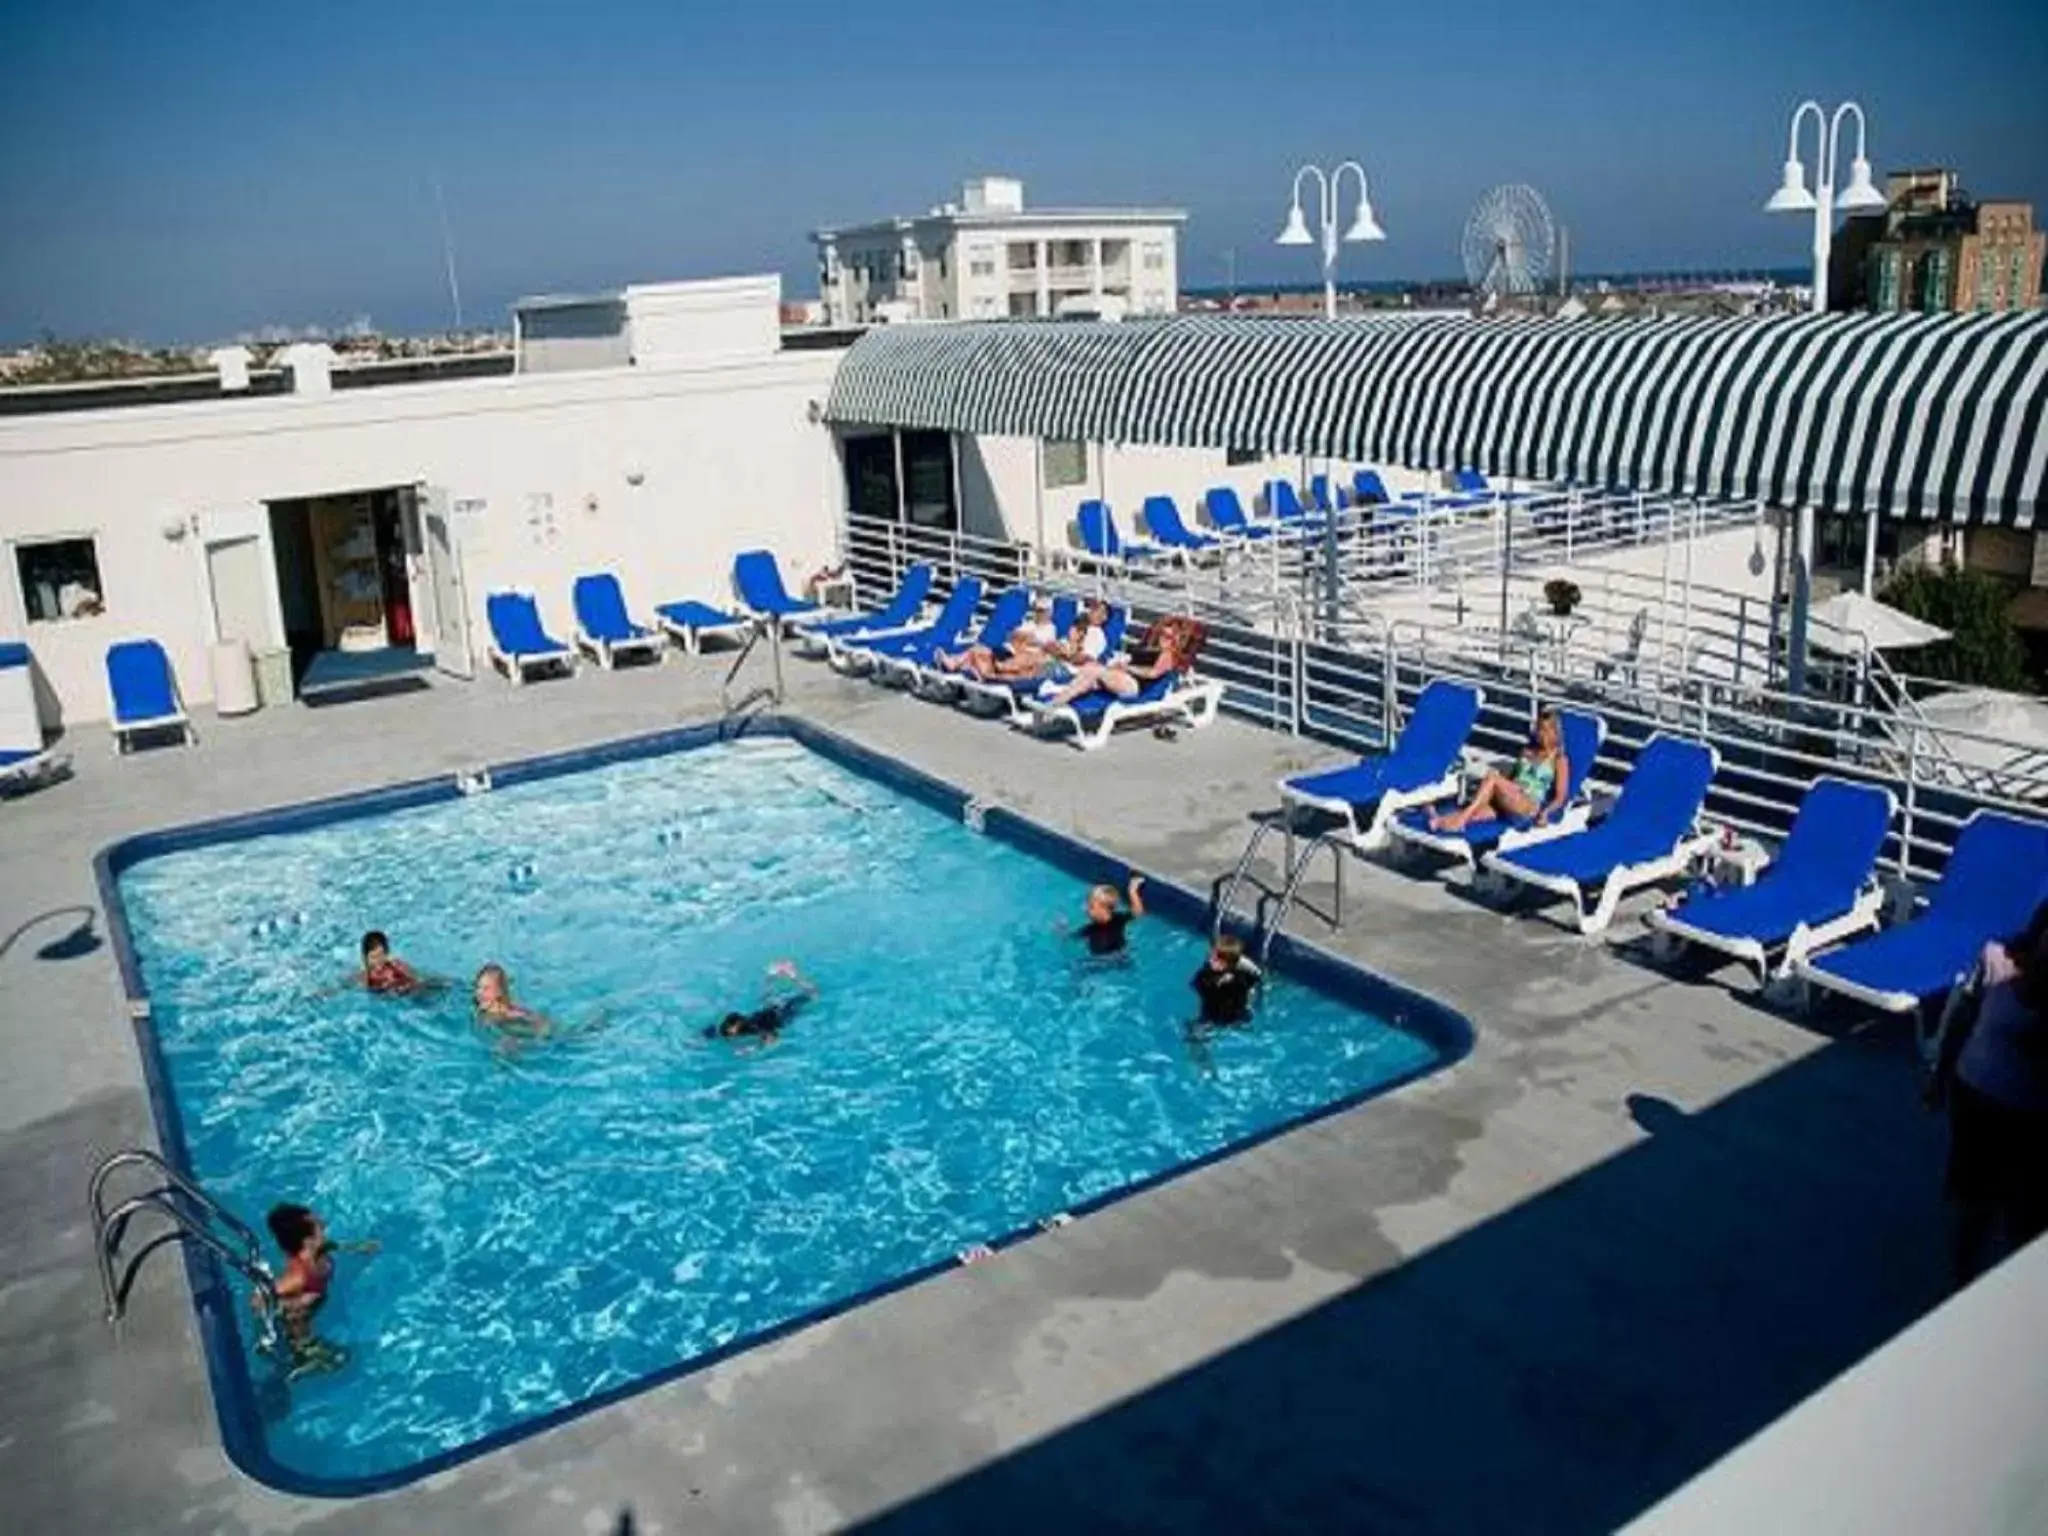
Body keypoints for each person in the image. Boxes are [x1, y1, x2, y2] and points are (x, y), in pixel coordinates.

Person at [1928, 897, 2048, 1288]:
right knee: (1973, 1201)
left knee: (2023, 1214)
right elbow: (1962, 1020)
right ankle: (1960, 1282)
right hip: (1977, 1096)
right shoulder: (1996, 960)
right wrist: (1939, 1078)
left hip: (2029, 1114)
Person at [259, 1202, 377, 1378]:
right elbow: (258, 1300)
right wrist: (293, 1304)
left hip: (315, 1304)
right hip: (300, 1336)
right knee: (342, 1360)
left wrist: (358, 1248)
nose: (324, 1223)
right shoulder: (298, 1277)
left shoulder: (319, 1249)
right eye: (318, 1225)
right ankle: (297, 1367)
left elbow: (332, 1246)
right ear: (308, 1241)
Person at [1429, 709, 1571, 833]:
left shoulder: (1559, 759)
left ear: (1554, 732)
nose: (1540, 734)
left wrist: (1546, 813)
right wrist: (1505, 787)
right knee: (1477, 814)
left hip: (1528, 805)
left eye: (1545, 730)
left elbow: (1560, 797)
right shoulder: (1527, 751)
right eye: (1539, 728)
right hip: (1511, 799)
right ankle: (1439, 821)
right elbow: (1513, 777)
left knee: (1492, 777)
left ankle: (1460, 820)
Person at [1041, 616, 1202, 710]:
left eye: (1168, 637)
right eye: (1162, 634)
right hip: (1123, 678)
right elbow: (1128, 660)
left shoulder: (1168, 654)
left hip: (1134, 686)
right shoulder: (1150, 649)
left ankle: (1056, 701)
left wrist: (1128, 667)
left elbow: (1153, 673)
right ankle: (1059, 697)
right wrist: (1118, 664)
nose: (1162, 638)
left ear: (1175, 641)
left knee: (1096, 671)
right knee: (1092, 669)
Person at [704, 960, 818, 1047]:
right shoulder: (727, 1029)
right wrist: (699, 1039)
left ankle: (792, 976)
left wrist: (754, 1048)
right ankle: (773, 975)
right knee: (767, 998)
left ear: (737, 1025)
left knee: (812, 995)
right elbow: (713, 1031)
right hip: (767, 1012)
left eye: (730, 1029)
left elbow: (773, 1038)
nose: (729, 1031)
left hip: (780, 1016)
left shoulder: (751, 1028)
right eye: (728, 1028)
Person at [938, 600, 1058, 680]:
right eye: (1037, 610)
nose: (1038, 613)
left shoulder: (1050, 629)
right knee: (977, 649)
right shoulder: (1029, 623)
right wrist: (1023, 637)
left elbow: (1041, 643)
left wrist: (1023, 637)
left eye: (1042, 610)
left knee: (983, 656)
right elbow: (1011, 635)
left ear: (1049, 612)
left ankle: (974, 670)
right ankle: (954, 663)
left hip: (1021, 657)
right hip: (1009, 650)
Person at [1191, 933, 1261, 1029]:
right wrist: (1216, 982)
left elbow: (1253, 984)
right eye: (1212, 957)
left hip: (1234, 1013)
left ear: (1230, 964)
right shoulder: (1206, 972)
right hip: (1212, 1010)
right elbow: (1196, 985)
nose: (1212, 961)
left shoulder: (1242, 976)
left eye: (1217, 960)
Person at [1075, 875, 1146, 956]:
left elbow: (1137, 912)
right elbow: (1138, 912)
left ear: (1105, 909)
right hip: (1111, 956)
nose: (1086, 909)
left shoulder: (1117, 919)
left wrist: (1132, 891)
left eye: (1091, 906)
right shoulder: (1092, 927)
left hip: (1106, 958)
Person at [354, 929, 437, 996]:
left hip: (408, 991)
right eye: (373, 957)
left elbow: (417, 978)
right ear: (365, 957)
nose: (378, 961)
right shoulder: (363, 975)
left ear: (387, 953)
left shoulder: (395, 965)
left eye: (381, 955)